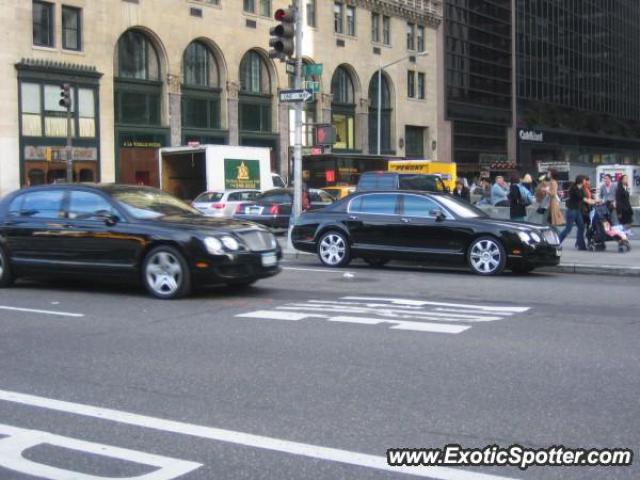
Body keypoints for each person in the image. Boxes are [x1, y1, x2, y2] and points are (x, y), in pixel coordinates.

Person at [558, 175, 594, 250]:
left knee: (581, 226)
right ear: (581, 181)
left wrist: (594, 201)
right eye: (584, 180)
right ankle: (556, 242)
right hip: (571, 211)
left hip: (577, 210)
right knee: (568, 229)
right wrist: (594, 202)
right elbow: (584, 199)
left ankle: (581, 245)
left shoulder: (580, 188)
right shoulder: (574, 188)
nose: (585, 181)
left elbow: (586, 198)